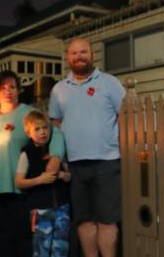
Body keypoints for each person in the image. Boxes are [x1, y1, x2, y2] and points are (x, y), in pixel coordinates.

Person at [0, 70, 64, 257]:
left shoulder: (28, 113)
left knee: (24, 240)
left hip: (21, 189)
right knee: (3, 240)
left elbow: (55, 134)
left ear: (19, 90)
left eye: (12, 87)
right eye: (3, 87)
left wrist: (55, 158)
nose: (8, 91)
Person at [49, 38, 126, 257]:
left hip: (108, 162)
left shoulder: (109, 83)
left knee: (107, 221)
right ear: (68, 58)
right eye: (74, 53)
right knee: (83, 221)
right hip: (75, 164)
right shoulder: (59, 90)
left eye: (83, 52)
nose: (79, 56)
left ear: (92, 55)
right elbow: (56, 121)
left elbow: (125, 115)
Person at [16, 110, 71, 257]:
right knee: (41, 249)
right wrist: (40, 180)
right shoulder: (27, 153)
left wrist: (62, 175)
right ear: (29, 133)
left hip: (62, 207)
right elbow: (19, 182)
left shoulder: (57, 150)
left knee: (61, 248)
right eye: (37, 129)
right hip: (40, 210)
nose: (42, 132)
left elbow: (69, 175)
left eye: (45, 128)